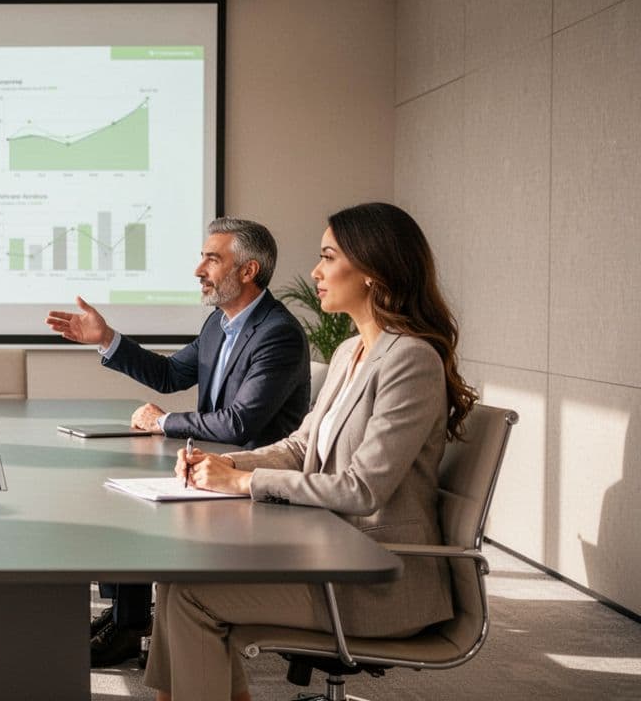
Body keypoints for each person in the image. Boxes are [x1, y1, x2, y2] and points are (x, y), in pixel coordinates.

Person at [144, 202, 479, 701]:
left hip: (375, 579)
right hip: (328, 555)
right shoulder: (350, 351)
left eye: (328, 257)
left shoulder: (411, 360)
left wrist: (244, 482)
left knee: (194, 595)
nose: (316, 272)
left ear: (372, 271)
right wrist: (230, 463)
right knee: (177, 579)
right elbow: (304, 445)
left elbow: (363, 489)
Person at [45, 217, 311, 666]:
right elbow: (169, 374)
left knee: (134, 501)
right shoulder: (218, 324)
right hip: (215, 465)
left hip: (250, 482)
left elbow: (241, 423)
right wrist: (107, 339)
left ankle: (130, 625)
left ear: (247, 271)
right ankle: (126, 616)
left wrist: (164, 422)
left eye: (212, 258)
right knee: (126, 487)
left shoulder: (277, 333)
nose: (198, 270)